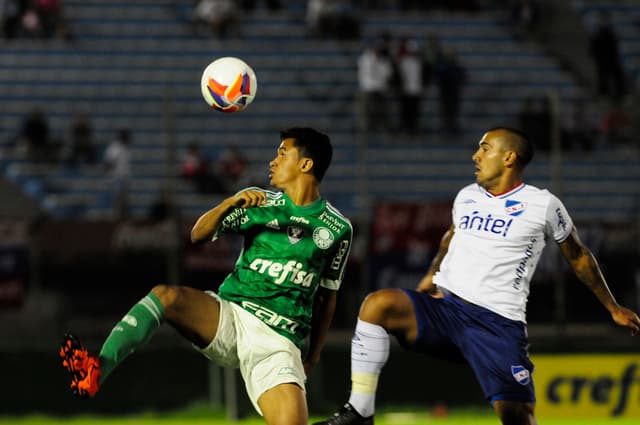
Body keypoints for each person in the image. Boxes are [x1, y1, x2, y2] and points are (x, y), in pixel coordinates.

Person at [313, 127, 640, 425]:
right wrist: (431, 276)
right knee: (378, 305)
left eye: (485, 149)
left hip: (496, 324)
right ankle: (360, 411)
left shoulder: (542, 204)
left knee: (518, 416)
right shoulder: (467, 195)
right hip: (447, 309)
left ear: (509, 157)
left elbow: (579, 256)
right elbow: (451, 235)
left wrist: (612, 307)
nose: (476, 156)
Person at [59, 127, 353, 425]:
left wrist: (312, 356)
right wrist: (229, 204)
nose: (272, 162)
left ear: (306, 164)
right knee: (165, 296)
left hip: (278, 341)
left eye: (282, 154)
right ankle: (95, 371)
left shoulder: (337, 228)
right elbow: (198, 234)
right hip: (231, 316)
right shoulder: (258, 202)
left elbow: (327, 296)